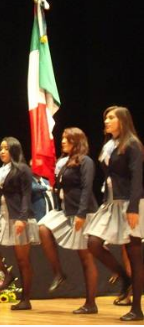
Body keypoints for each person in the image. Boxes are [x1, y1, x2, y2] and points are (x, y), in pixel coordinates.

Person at [85, 106, 144, 321]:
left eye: (111, 118)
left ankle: (137, 308)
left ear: (123, 121)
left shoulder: (132, 144)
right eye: (106, 118)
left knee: (134, 253)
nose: (106, 121)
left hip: (129, 202)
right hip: (111, 202)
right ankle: (124, 278)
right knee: (93, 242)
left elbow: (137, 178)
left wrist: (133, 208)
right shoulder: (109, 145)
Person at [38, 127, 99, 314]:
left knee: (86, 258)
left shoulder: (86, 161)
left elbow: (87, 188)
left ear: (77, 142)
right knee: (43, 228)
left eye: (68, 139)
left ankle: (91, 303)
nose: (63, 141)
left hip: (83, 212)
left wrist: (81, 214)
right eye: (63, 138)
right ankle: (59, 273)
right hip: (67, 211)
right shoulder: (65, 162)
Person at [0, 137, 39, 311]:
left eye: (6, 148)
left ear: (14, 149)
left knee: (22, 260)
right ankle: (7, 273)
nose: (2, 151)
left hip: (19, 216)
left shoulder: (22, 169)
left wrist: (22, 218)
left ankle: (26, 299)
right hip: (3, 216)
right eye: (1, 148)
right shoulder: (0, 169)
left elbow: (26, 194)